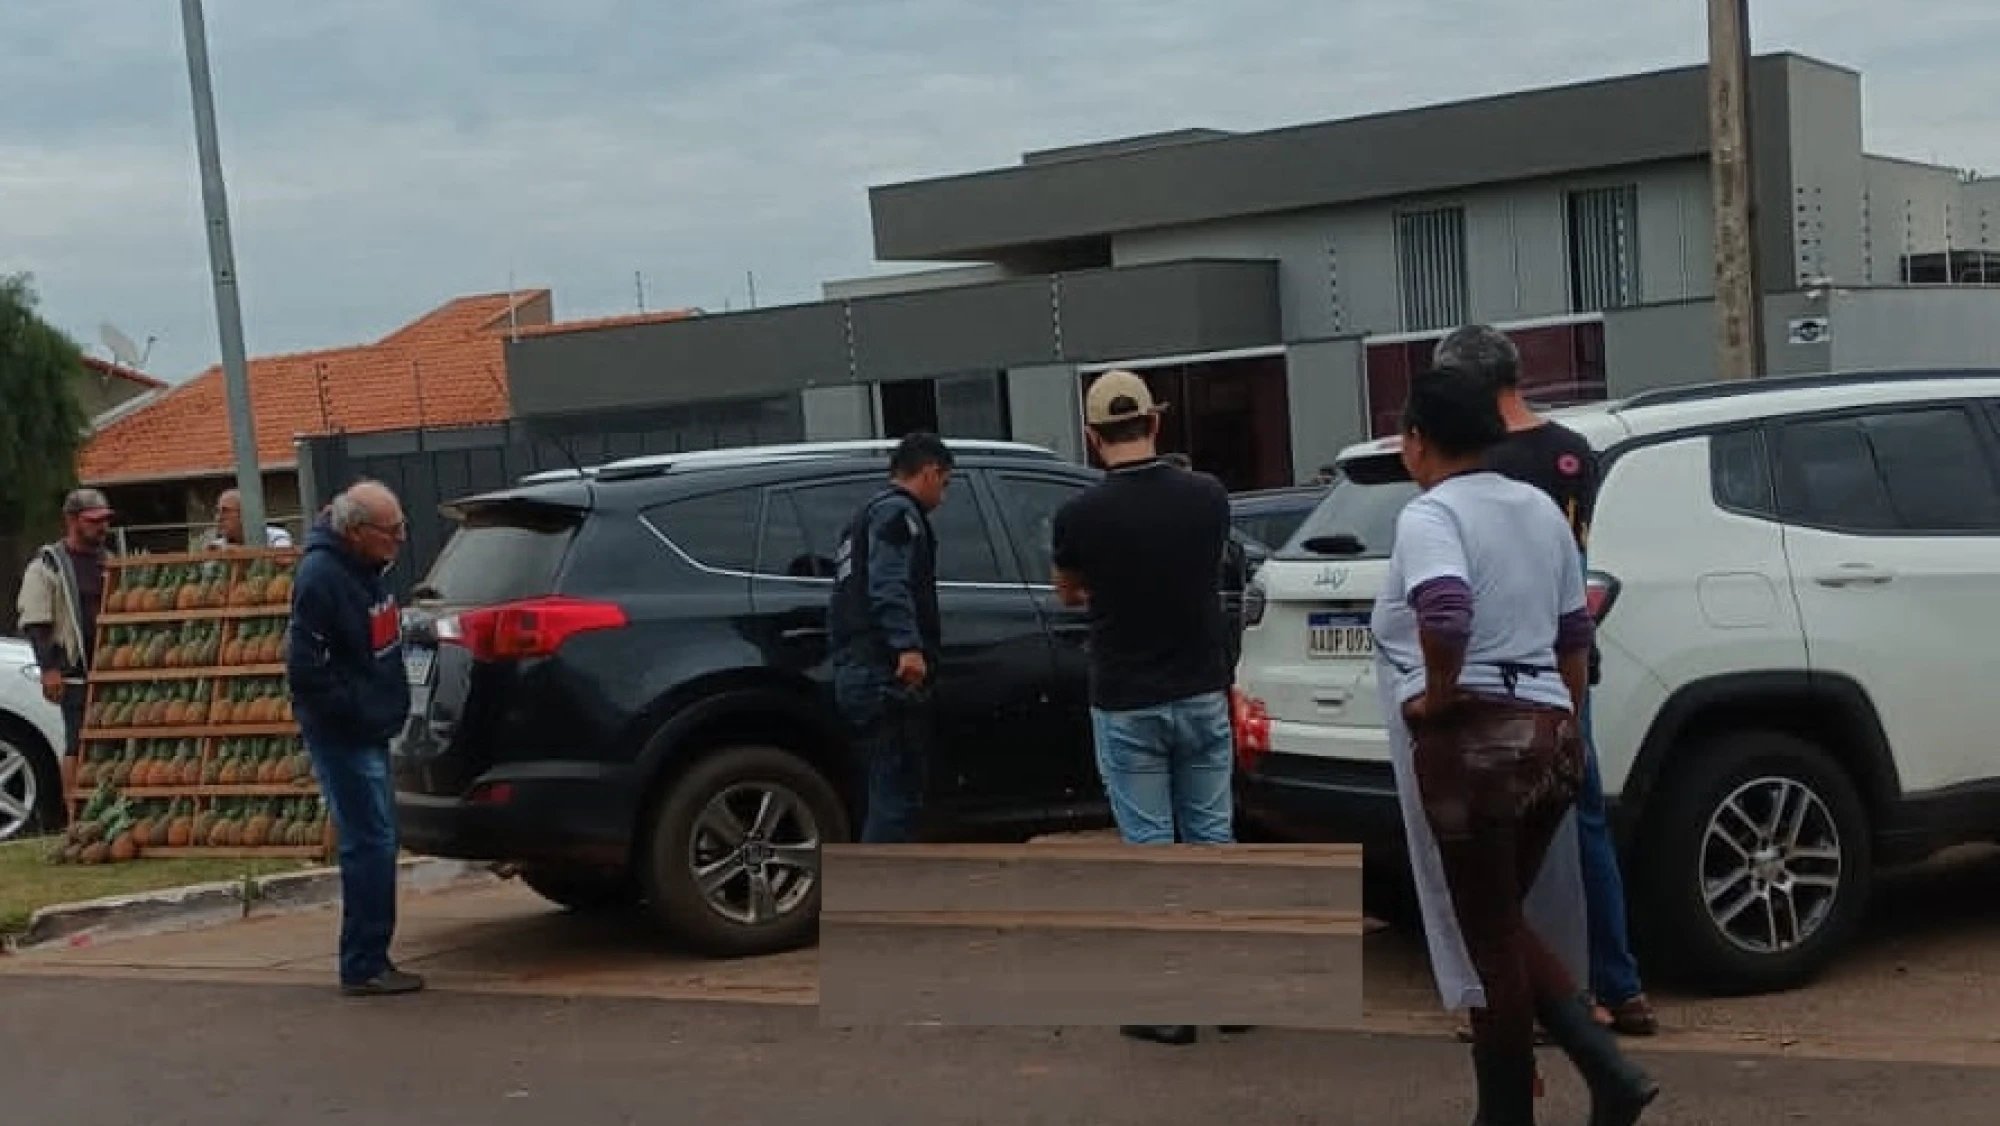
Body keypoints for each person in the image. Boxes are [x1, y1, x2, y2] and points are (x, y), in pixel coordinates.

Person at [1373, 366, 1657, 1126]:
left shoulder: (1431, 515)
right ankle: (1604, 1074)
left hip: (1474, 745)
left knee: (1491, 943)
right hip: (1549, 736)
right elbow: (1574, 634)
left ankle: (1516, 1110)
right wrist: (1563, 721)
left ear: (1418, 441)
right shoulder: (1537, 509)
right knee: (1503, 920)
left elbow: (1444, 606)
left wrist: (1436, 694)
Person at [1433, 323, 1658, 1038]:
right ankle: (1619, 986)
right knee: (1582, 824)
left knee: (1497, 845)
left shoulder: (1474, 465)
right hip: (1567, 667)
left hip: (1494, 675)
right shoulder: (1572, 453)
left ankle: (1531, 995)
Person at [1050, 371, 1240, 1048]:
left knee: (1152, 851)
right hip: (1201, 691)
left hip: (1127, 698)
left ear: (1093, 438)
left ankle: (1171, 1003)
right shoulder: (1208, 496)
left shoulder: (1079, 516)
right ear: (1155, 424)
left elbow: (1069, 590)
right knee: (1213, 842)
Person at [285, 480, 418, 997]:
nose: (402, 539)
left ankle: (373, 955)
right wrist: (355, 713)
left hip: (373, 725)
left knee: (379, 841)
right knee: (369, 844)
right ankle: (362, 963)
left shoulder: (369, 567)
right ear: (357, 531)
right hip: (346, 735)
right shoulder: (321, 579)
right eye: (392, 531)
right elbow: (305, 669)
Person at [827, 433, 954, 844]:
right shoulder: (900, 516)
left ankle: (880, 890)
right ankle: (877, 894)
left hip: (856, 670)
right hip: (884, 675)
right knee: (895, 799)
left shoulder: (860, 520)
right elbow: (888, 585)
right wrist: (909, 647)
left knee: (883, 791)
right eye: (946, 482)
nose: (944, 495)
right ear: (931, 472)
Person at [16, 489, 114, 761]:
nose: (102, 527)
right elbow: (35, 620)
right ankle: (72, 804)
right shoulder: (47, 566)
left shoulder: (109, 561)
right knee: (78, 745)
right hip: (74, 673)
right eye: (93, 521)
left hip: (109, 671)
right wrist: (49, 669)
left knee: (109, 747)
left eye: (105, 520)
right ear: (71, 520)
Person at [205, 488, 294, 549]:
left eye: (225, 511)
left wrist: (237, 553)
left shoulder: (276, 537)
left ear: (245, 514)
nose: (218, 518)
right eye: (217, 511)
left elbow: (285, 560)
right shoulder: (217, 546)